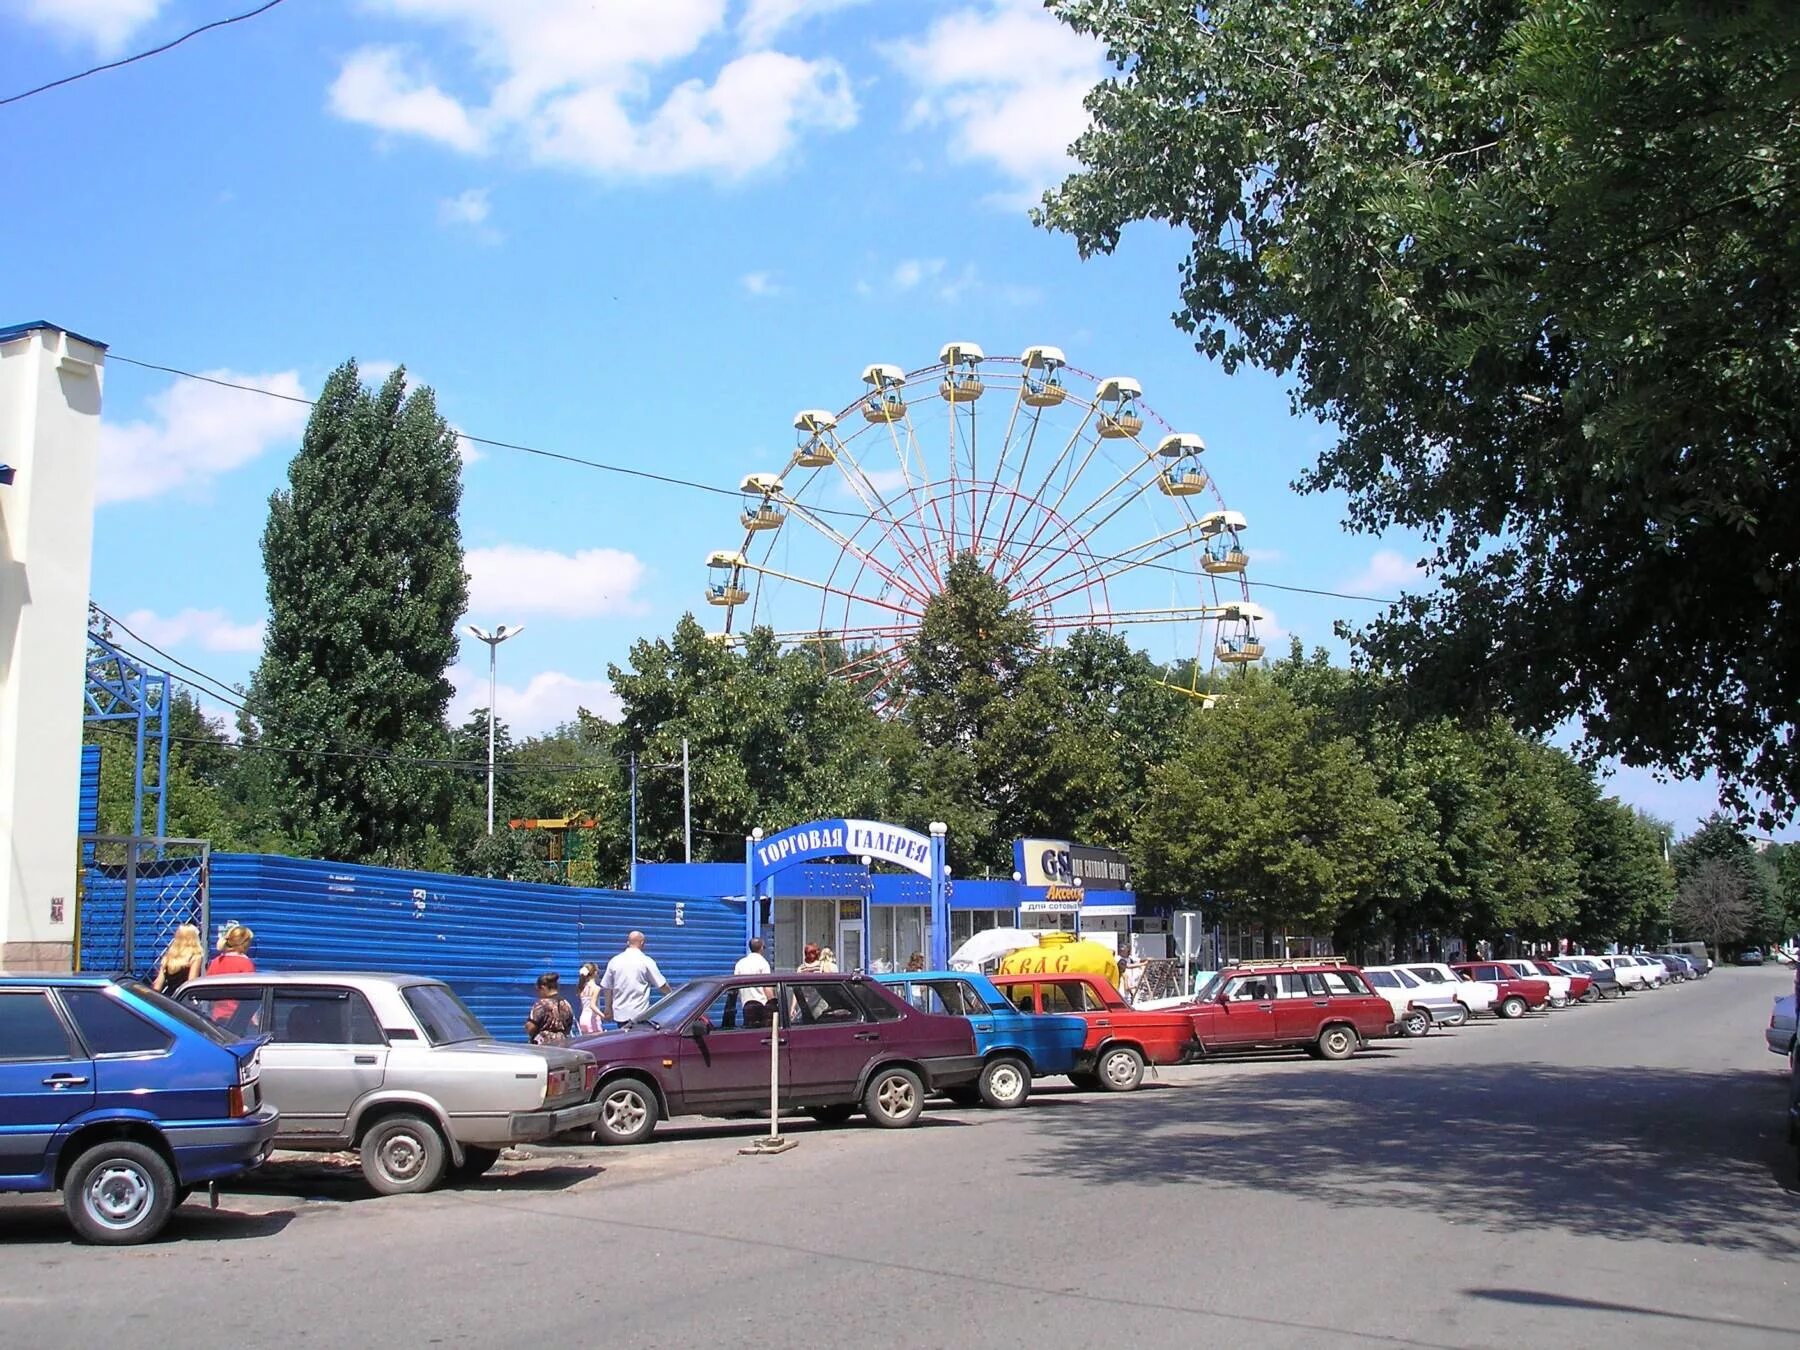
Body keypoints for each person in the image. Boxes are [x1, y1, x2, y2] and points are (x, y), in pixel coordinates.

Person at [601, 930, 670, 1027]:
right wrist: (674, 997)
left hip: (620, 1015)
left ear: (628, 943)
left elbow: (607, 986)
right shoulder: (646, 961)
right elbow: (662, 985)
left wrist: (607, 1008)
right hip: (639, 1014)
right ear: (642, 943)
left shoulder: (614, 961)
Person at [151, 923, 205, 995]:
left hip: (171, 998)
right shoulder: (195, 957)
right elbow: (191, 983)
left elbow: (157, 986)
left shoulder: (168, 958)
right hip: (184, 999)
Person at [524, 972, 575, 1044]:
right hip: (562, 1044)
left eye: (538, 990)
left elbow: (530, 1028)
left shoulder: (541, 1004)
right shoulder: (566, 1004)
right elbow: (568, 1027)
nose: (538, 993)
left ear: (543, 988)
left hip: (543, 1046)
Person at [575, 962, 604, 1036]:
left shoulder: (582, 988)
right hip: (592, 1019)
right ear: (595, 973)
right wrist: (603, 1015)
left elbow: (583, 1005)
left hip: (583, 1018)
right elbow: (592, 1005)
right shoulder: (596, 988)